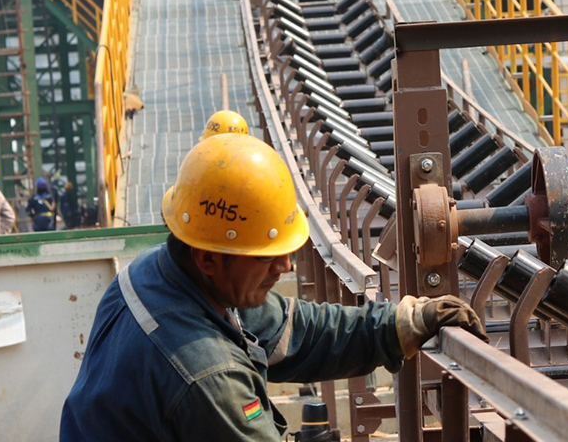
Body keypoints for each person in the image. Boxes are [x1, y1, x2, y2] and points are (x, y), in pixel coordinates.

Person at [61, 134, 487, 441]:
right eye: (268, 257)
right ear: (209, 258)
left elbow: (297, 330)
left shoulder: (154, 275)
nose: (284, 266)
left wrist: (401, 323)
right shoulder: (206, 374)